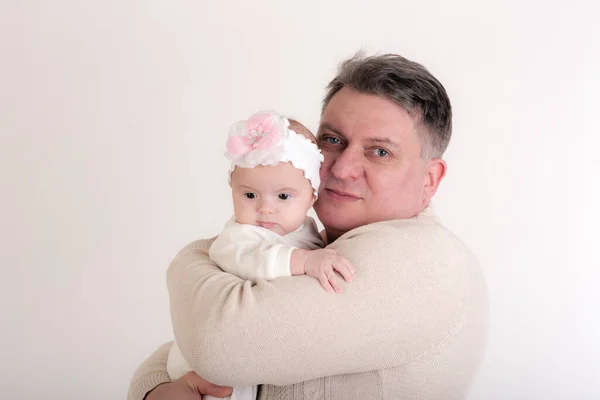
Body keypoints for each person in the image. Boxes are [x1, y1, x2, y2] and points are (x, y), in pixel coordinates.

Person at [128, 53, 488, 400]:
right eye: (332, 140)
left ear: (430, 179)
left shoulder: (423, 261)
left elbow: (216, 342)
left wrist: (191, 259)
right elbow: (176, 348)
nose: (342, 168)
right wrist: (154, 390)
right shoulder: (304, 241)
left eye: (379, 152)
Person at [166, 110, 354, 400]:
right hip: (202, 366)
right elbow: (254, 259)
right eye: (250, 195)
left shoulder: (307, 231)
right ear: (233, 191)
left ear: (311, 196)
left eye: (283, 196)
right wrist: (304, 262)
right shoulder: (238, 236)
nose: (265, 209)